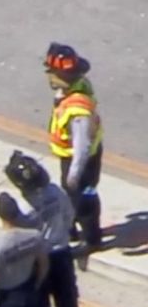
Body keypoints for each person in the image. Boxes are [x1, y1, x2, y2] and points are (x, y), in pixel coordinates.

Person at [4, 150, 87, 307]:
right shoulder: (55, 192)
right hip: (61, 254)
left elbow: (18, 236)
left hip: (37, 261)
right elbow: (69, 216)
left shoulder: (22, 208)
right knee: (67, 302)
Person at [44, 43, 104, 250]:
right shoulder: (74, 88)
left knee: (84, 199)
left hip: (82, 161)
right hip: (70, 157)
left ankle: (91, 239)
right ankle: (70, 229)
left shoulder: (78, 110)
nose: (49, 76)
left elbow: (82, 146)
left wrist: (75, 173)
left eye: (52, 72)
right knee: (70, 197)